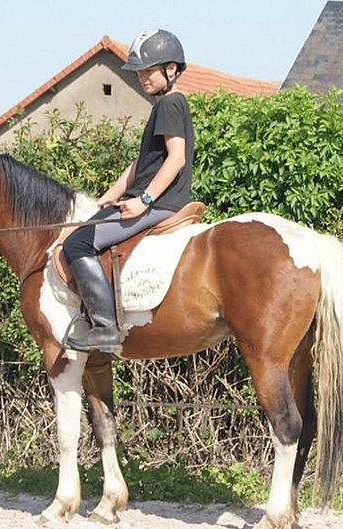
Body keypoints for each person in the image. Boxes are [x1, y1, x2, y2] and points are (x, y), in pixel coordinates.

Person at [62, 29, 195, 354]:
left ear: (172, 69)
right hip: (151, 200)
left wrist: (144, 201)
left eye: (149, 70)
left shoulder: (170, 104)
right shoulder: (163, 106)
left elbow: (176, 159)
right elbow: (140, 165)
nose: (142, 77)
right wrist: (108, 197)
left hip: (160, 204)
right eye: (139, 71)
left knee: (77, 243)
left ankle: (105, 327)